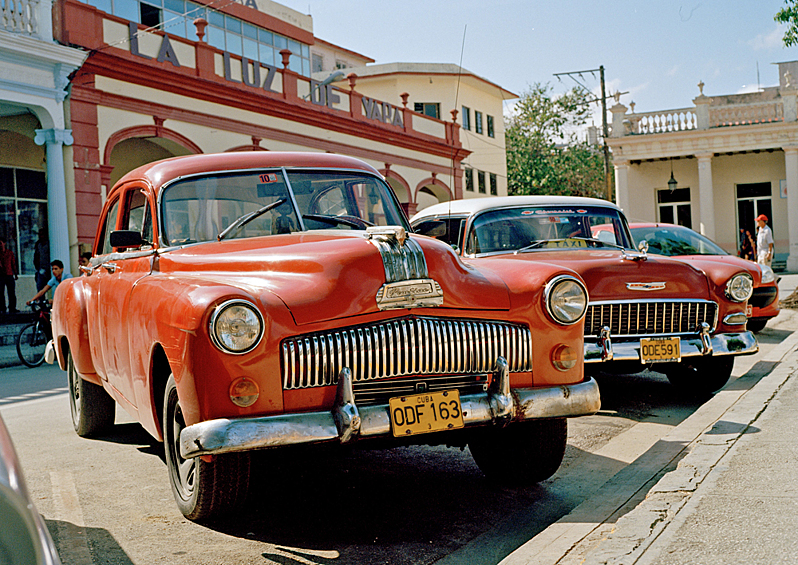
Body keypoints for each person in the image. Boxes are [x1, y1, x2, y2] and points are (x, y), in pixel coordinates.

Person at [0, 237, 18, 314]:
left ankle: (12, 307)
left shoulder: (9, 253)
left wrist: (15, 273)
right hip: (1, 275)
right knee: (1, 292)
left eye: (1, 243)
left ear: (4, 243)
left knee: (11, 292)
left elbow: (13, 263)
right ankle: (2, 307)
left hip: (9, 273)